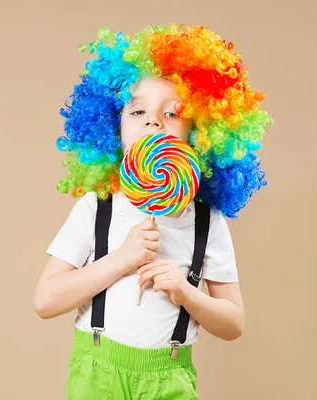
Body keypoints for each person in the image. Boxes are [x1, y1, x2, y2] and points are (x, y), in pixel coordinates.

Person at [34, 25, 273, 399]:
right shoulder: (97, 208)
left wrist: (186, 294)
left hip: (169, 378)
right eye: (138, 110)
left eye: (173, 113)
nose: (153, 121)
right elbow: (45, 301)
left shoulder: (206, 221)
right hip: (97, 371)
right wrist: (122, 259)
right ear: (113, 127)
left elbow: (233, 323)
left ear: (200, 133)